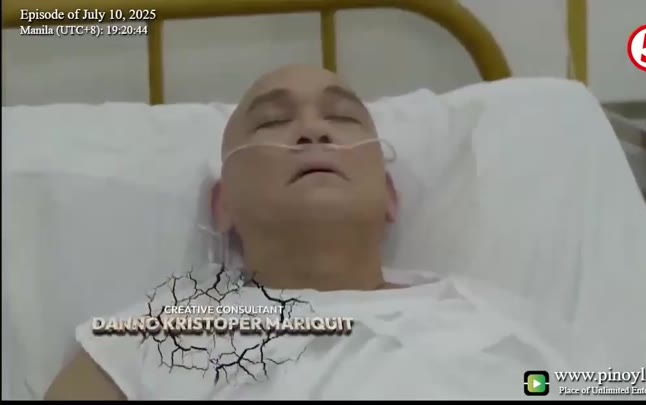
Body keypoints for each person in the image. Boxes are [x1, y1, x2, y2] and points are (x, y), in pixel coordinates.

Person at [44, 65, 584, 400]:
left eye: (343, 118)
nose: (312, 130)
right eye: (272, 122)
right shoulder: (148, 342)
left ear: (390, 195)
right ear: (223, 204)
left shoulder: (509, 328)